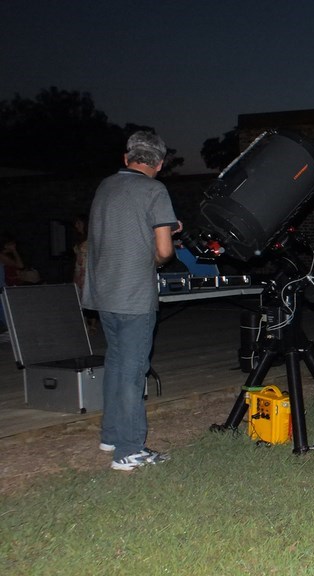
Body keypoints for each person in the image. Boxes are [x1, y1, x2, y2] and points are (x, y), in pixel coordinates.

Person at [82, 130, 181, 471]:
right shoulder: (155, 190)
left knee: (116, 364)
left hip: (103, 293)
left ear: (126, 159)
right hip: (134, 295)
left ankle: (110, 435)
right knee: (133, 371)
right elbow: (165, 251)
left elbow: (121, 230)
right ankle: (129, 449)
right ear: (160, 163)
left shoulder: (106, 186)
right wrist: (159, 248)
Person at [71, 214, 99, 332]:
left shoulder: (92, 238)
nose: (77, 226)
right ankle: (85, 324)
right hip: (79, 271)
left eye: (79, 223)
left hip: (89, 272)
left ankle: (93, 324)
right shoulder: (78, 239)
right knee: (80, 299)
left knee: (90, 298)